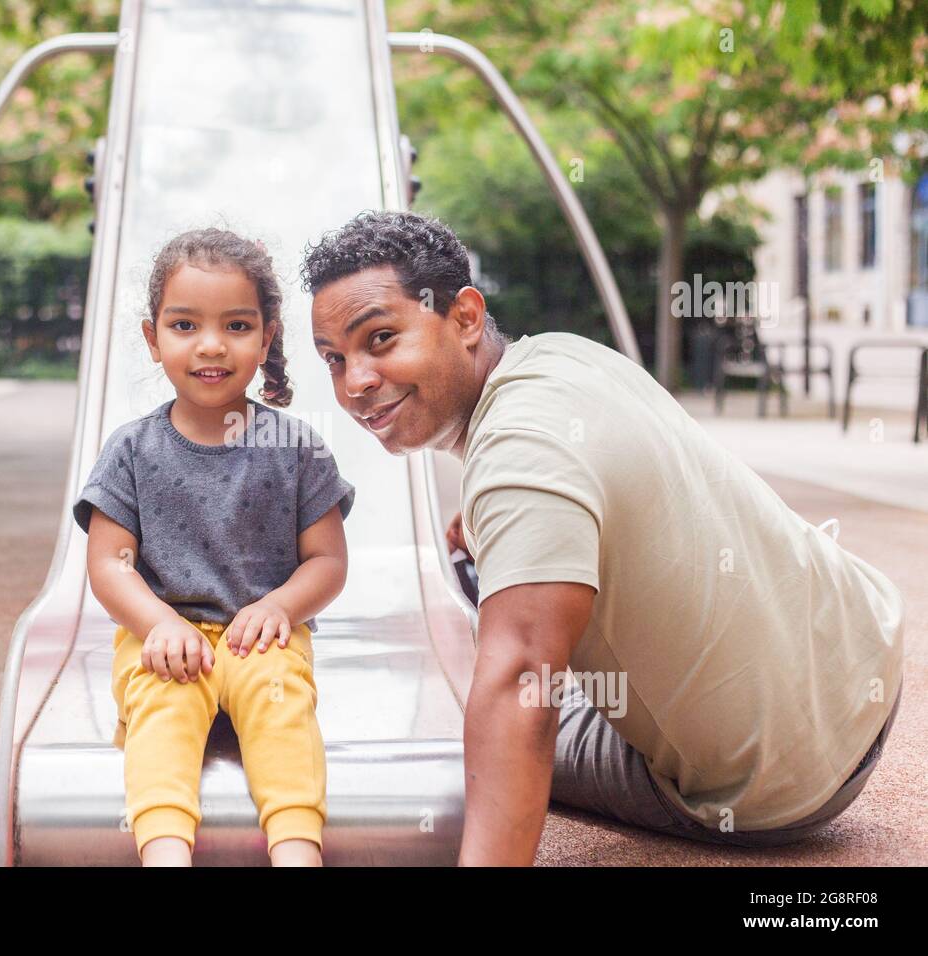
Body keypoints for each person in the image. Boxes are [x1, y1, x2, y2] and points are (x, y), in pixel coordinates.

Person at [302, 210, 904, 865]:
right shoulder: (561, 356)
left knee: (466, 723)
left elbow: (520, 684)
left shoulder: (521, 457)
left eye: (382, 339)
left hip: (778, 782)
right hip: (863, 657)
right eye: (334, 359)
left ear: (467, 317)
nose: (354, 382)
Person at [74, 228, 354, 866]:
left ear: (266, 335)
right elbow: (108, 564)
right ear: (153, 338)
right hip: (167, 639)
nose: (210, 345)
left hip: (263, 640)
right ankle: (166, 853)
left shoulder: (298, 448)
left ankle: (296, 848)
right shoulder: (131, 449)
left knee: (283, 707)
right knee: (163, 711)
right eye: (183, 325)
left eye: (235, 325)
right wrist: (158, 623)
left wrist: (281, 607)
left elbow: (328, 562)